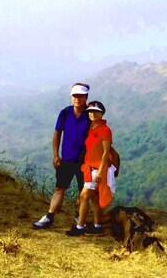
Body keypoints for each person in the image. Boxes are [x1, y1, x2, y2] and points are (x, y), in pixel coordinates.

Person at [33, 83, 91, 228]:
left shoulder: (90, 115)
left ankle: (79, 218)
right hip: (66, 158)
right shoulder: (65, 113)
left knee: (82, 192)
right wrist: (55, 155)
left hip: (84, 161)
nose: (77, 99)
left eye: (81, 96)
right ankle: (49, 216)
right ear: (72, 97)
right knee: (60, 188)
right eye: (75, 96)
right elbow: (57, 133)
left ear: (86, 97)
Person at [66, 101, 114, 236]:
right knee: (94, 198)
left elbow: (106, 152)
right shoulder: (92, 127)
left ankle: (80, 227)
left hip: (97, 169)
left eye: (96, 112)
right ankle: (97, 225)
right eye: (90, 111)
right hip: (90, 167)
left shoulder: (105, 130)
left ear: (102, 113)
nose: (92, 114)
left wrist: (100, 171)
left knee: (83, 197)